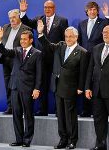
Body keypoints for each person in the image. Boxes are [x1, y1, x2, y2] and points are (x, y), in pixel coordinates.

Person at [37, 21, 88, 149]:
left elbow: (83, 72)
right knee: (60, 115)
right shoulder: (60, 46)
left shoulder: (82, 52)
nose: (68, 39)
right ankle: (63, 139)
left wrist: (81, 87)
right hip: (57, 86)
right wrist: (40, 33)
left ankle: (72, 140)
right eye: (66, 36)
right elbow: (47, 45)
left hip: (71, 87)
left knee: (70, 116)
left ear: (76, 37)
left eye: (71, 36)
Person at [19, 0, 68, 116]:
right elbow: (27, 22)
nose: (47, 9)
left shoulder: (62, 20)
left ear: (54, 8)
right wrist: (23, 12)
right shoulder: (39, 19)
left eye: (49, 7)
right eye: (45, 7)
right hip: (41, 57)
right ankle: (42, 109)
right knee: (42, 83)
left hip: (56, 57)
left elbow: (65, 38)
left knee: (57, 84)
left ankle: (58, 110)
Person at [0, 28, 42, 147]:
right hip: (15, 87)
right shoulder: (16, 50)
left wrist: (37, 88)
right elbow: (4, 51)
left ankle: (27, 140)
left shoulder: (37, 53)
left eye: (25, 39)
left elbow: (39, 73)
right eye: (21, 39)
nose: (22, 41)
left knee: (28, 114)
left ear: (31, 40)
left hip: (28, 88)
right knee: (16, 114)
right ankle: (19, 139)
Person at [77, 1, 109, 117]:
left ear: (97, 11)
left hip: (97, 57)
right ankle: (86, 110)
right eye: (90, 10)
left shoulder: (102, 22)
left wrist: (107, 16)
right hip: (84, 57)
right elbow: (80, 41)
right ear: (86, 12)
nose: (92, 12)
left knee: (96, 81)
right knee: (84, 81)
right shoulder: (82, 24)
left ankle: (97, 110)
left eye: (94, 10)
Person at [0, 9, 32, 115]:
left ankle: (19, 107)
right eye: (10, 18)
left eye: (14, 17)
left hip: (17, 60)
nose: (12, 20)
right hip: (5, 58)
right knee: (8, 84)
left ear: (19, 16)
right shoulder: (6, 27)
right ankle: (10, 106)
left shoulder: (26, 29)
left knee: (18, 84)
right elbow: (0, 40)